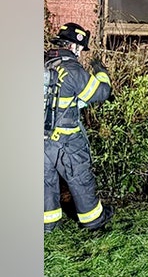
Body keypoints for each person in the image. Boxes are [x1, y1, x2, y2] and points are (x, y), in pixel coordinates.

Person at [44, 22, 113, 233]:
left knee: (44, 182)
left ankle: (48, 224)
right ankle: (93, 220)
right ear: (74, 46)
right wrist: (102, 73)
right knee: (80, 178)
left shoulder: (45, 63)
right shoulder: (72, 69)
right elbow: (99, 93)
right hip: (67, 140)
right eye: (81, 49)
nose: (81, 53)